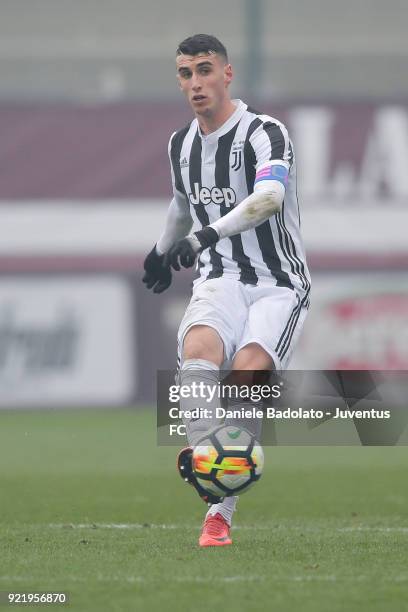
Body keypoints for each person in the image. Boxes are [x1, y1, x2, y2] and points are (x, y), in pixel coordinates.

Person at [143, 34, 311, 547]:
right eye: (186, 74)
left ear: (227, 74)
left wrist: (208, 233)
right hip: (220, 277)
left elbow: (269, 197)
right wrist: (159, 249)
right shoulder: (181, 145)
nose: (195, 83)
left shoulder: (265, 132)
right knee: (198, 352)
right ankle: (204, 461)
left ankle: (221, 512)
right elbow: (181, 201)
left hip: (278, 283)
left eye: (204, 70)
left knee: (248, 373)